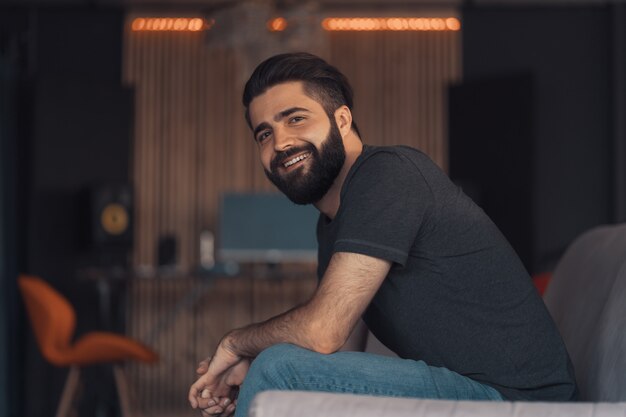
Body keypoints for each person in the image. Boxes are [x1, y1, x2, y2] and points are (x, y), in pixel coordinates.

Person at [188, 52, 578, 417]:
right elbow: (334, 350)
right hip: (475, 392)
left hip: (521, 402)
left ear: (341, 120)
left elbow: (323, 330)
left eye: (295, 119)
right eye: (264, 134)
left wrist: (237, 343)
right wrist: (251, 371)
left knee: (279, 368)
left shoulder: (388, 175)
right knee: (274, 369)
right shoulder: (333, 221)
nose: (281, 143)